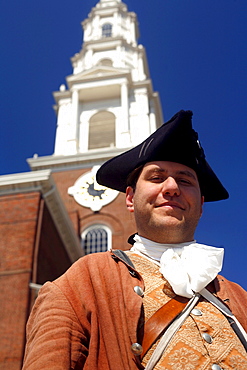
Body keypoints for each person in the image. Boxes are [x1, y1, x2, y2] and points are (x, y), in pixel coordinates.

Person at [22, 110, 247, 370]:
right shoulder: (81, 282)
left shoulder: (239, 296)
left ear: (201, 203)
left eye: (185, 180)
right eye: (156, 177)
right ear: (130, 198)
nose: (172, 187)